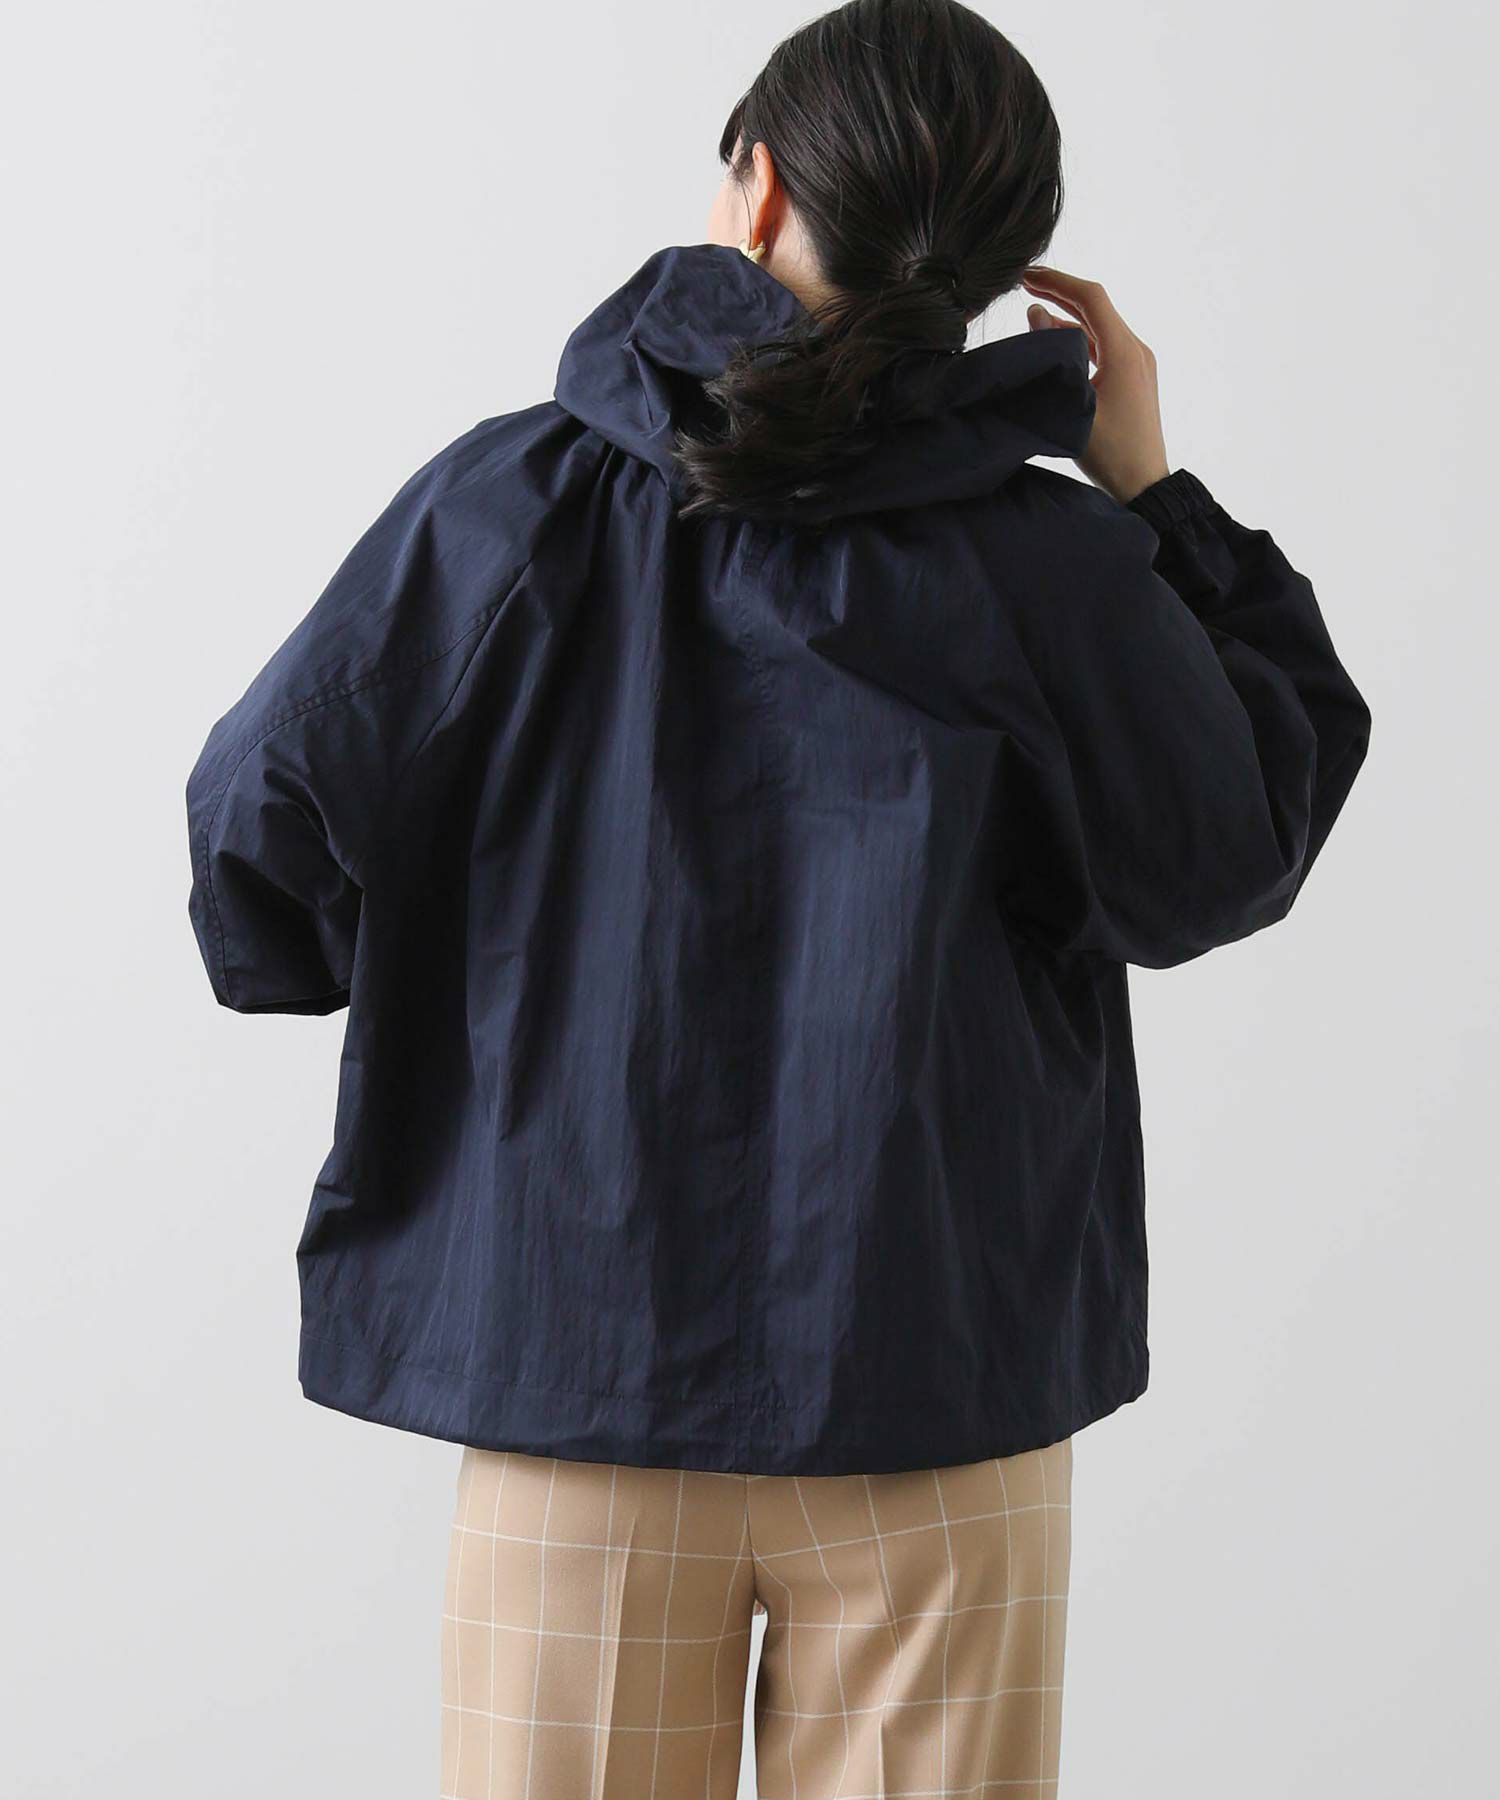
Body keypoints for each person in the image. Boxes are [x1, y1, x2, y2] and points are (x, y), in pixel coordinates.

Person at [183, 1, 1371, 1793]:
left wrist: (458, 974)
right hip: (934, 1378)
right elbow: (1230, 847)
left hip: (576, 1375)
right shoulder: (1059, 566)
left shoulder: (508, 508)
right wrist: (1157, 493)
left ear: (756, 192)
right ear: (996, 269)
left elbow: (256, 823)